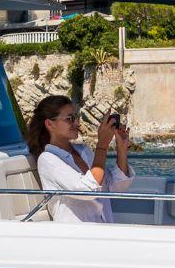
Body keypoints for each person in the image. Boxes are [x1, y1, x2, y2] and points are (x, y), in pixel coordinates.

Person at [26, 95, 134, 223]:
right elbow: (86, 190)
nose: (77, 123)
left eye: (76, 117)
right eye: (70, 119)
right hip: (75, 233)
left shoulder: (84, 151)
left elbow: (116, 186)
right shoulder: (48, 159)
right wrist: (102, 145)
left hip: (103, 229)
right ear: (50, 124)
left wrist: (121, 148)